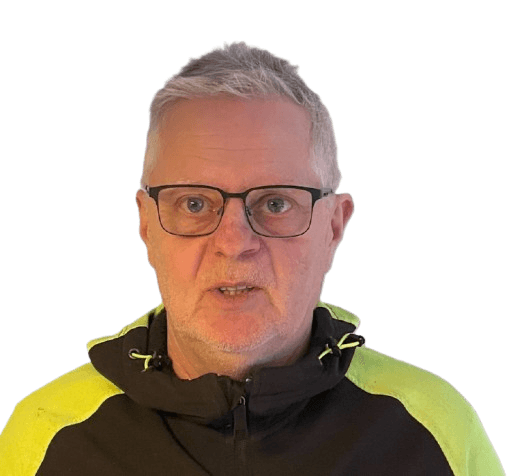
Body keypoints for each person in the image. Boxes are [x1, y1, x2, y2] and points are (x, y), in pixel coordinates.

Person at [0, 40, 505, 475]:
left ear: (334, 225)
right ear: (146, 223)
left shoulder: (434, 431)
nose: (234, 241)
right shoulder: (44, 438)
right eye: (194, 204)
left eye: (276, 203)